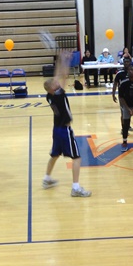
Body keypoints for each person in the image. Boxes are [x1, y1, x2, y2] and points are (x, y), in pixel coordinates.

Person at [42, 51, 91, 197]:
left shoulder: (49, 95)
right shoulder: (58, 94)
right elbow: (63, 76)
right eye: (55, 83)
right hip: (64, 130)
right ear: (53, 88)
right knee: (77, 157)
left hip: (56, 129)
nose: (58, 82)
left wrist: (60, 60)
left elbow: (58, 76)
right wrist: (67, 61)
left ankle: (46, 178)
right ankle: (75, 188)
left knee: (55, 155)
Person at [112, 56, 133, 132]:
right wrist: (113, 94)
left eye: (128, 62)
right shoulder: (120, 74)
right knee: (123, 112)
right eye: (125, 62)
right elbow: (115, 84)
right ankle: (123, 128)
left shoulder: (132, 72)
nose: (126, 63)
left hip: (130, 96)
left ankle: (128, 126)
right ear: (123, 63)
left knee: (129, 111)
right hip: (122, 97)